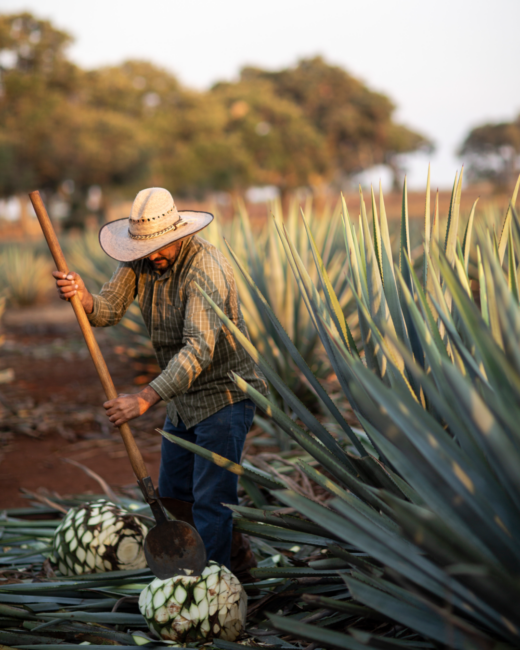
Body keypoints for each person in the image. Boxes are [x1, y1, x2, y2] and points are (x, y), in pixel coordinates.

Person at [53, 187, 268, 571]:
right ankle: (232, 567)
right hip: (183, 400)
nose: (154, 255)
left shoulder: (205, 268)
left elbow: (198, 350)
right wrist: (83, 297)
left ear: (180, 233)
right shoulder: (142, 259)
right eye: (146, 248)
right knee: (174, 496)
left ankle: (211, 588)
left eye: (161, 247)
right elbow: (107, 310)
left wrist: (144, 398)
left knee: (210, 500)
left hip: (223, 396)